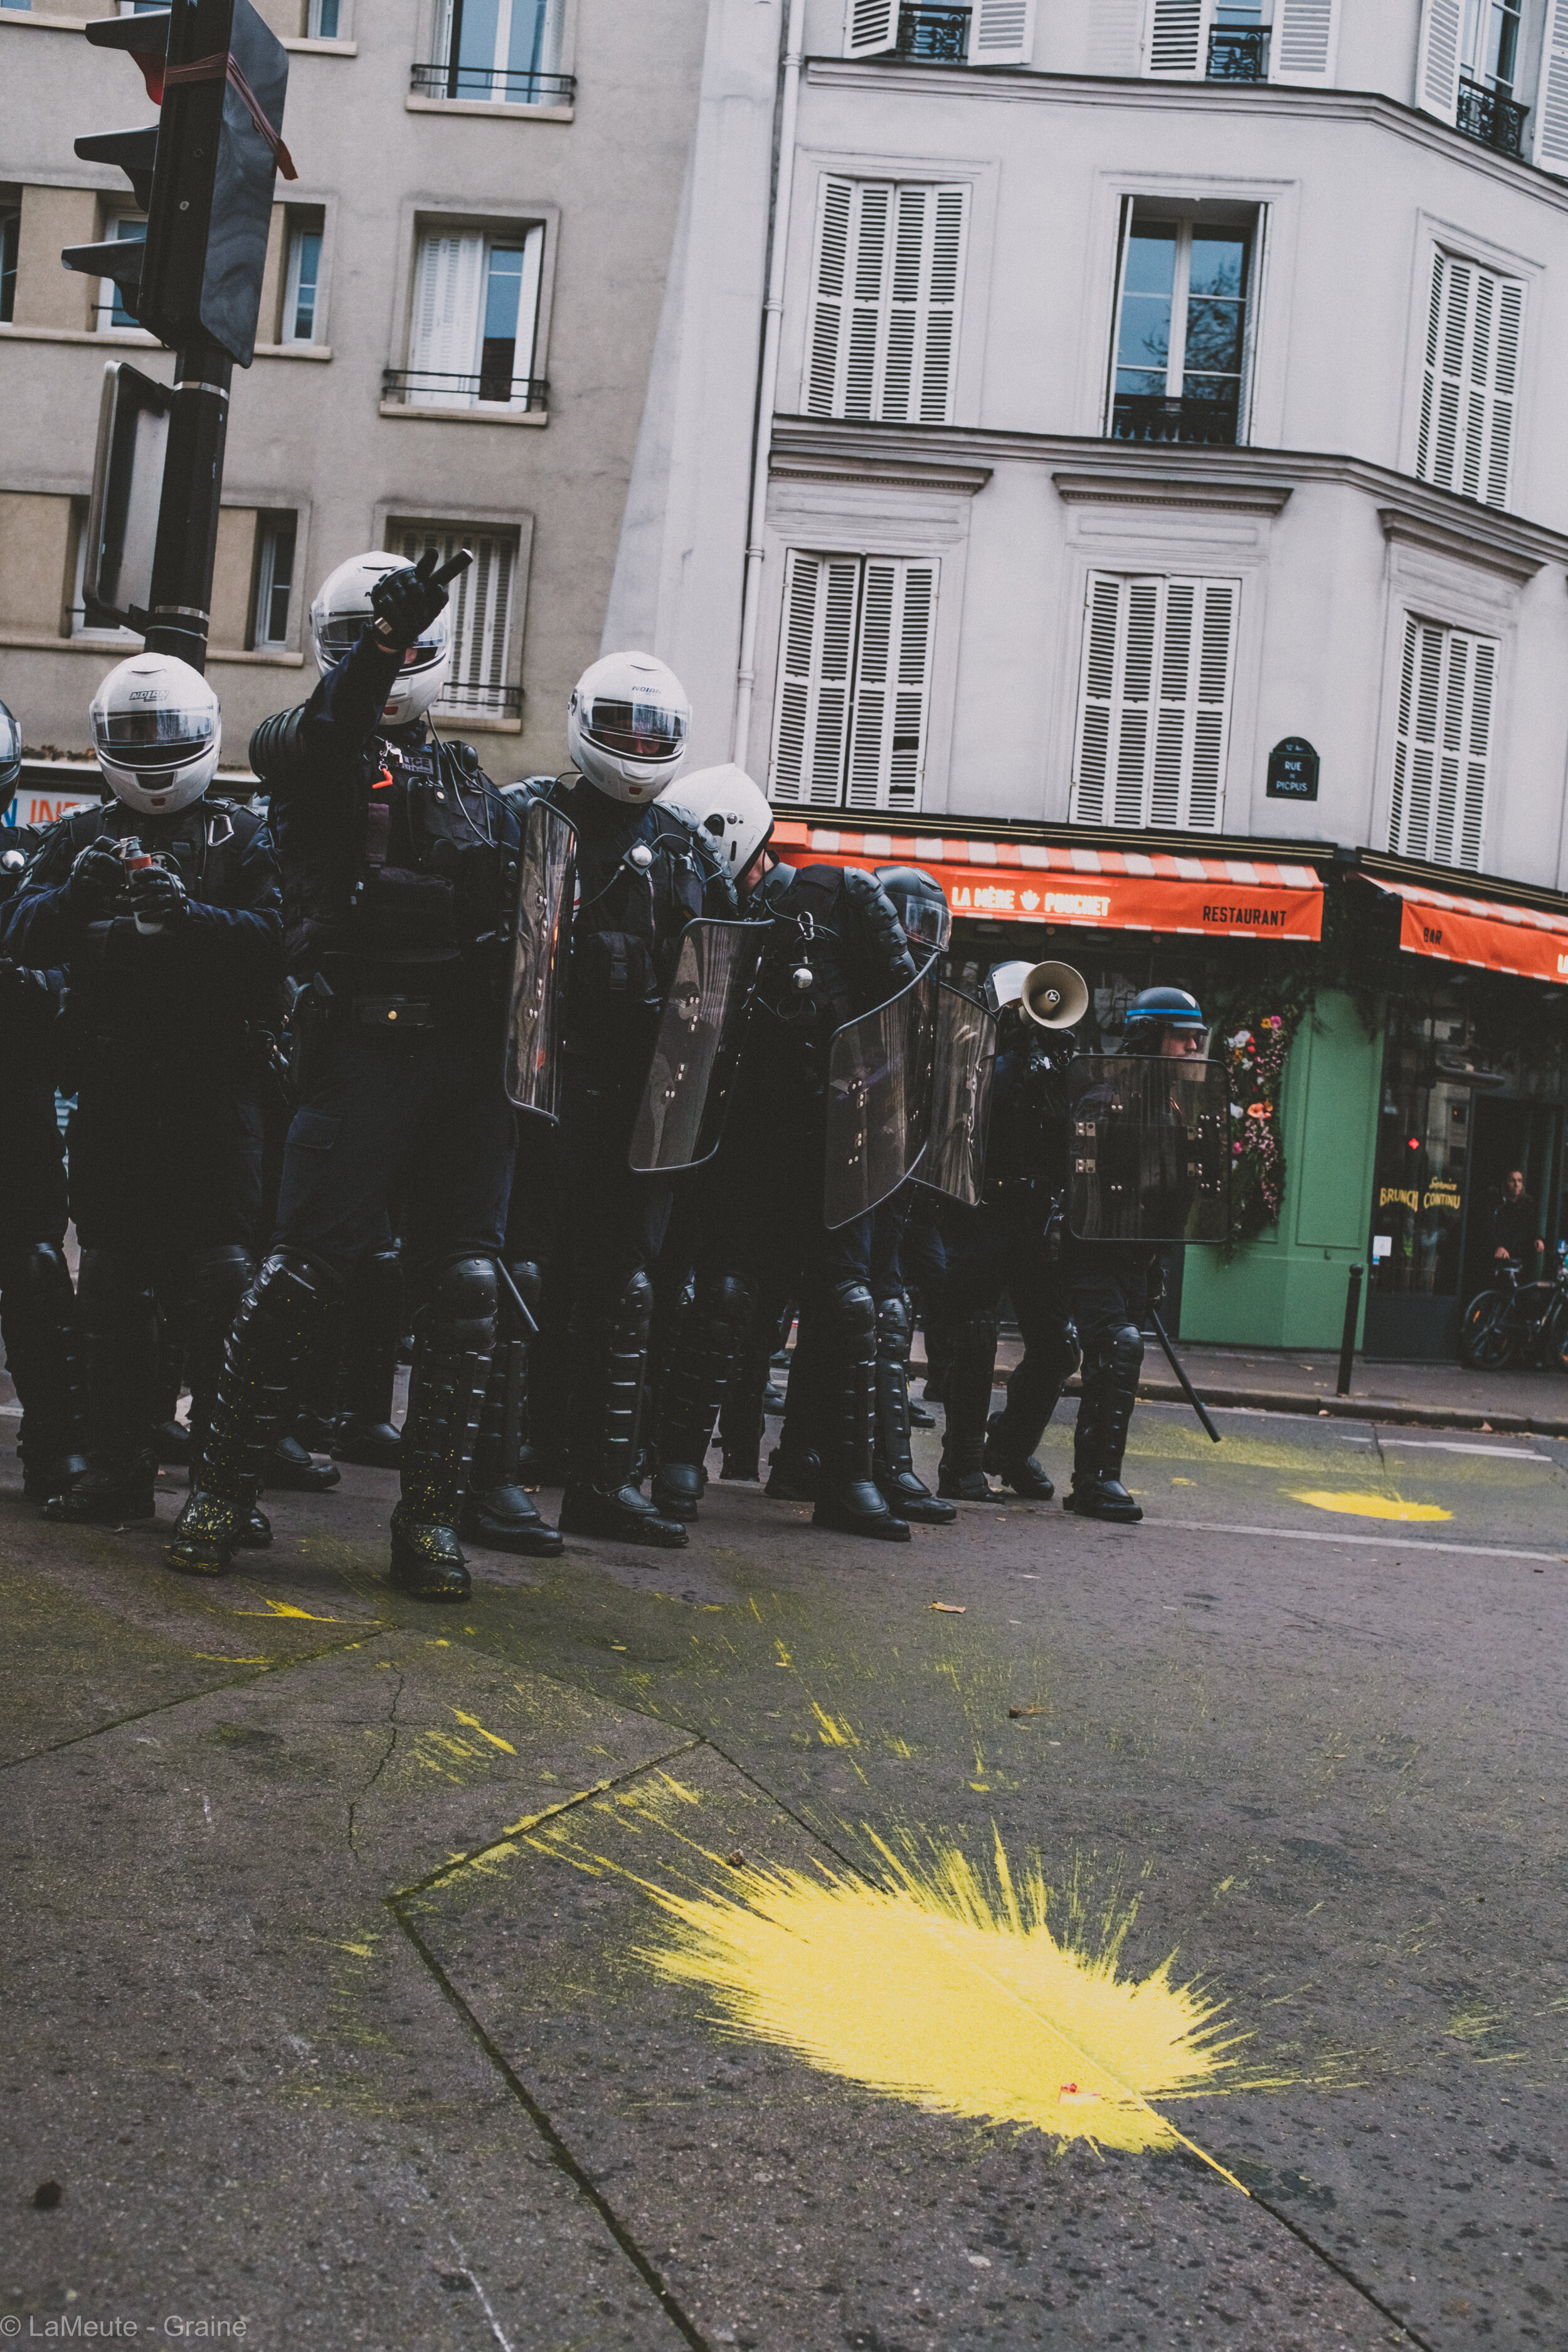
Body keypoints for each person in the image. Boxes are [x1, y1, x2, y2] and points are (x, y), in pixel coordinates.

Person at [167, 549, 559, 1596]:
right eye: (364, 636)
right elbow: (339, 734)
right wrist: (382, 649)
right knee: (301, 1275)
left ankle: (429, 1523)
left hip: (469, 1061)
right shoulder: (300, 742)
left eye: (402, 635)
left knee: (469, 1284)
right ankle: (220, 1486)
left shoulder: (479, 780)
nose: (386, 652)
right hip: (362, 1048)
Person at [1, 657, 282, 1529]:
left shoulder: (242, 837)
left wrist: (189, 916)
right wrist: (79, 895)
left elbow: (281, 943)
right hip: (116, 1090)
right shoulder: (80, 837)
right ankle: (117, 1468)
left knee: (221, 1283)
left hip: (213, 1090)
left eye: (169, 732)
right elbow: (21, 938)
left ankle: (224, 1481)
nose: (155, 750)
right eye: (137, 734)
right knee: (113, 1282)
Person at [654, 768, 920, 1541]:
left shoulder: (840, 894)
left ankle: (847, 1479)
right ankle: (678, 1461)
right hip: (743, 1143)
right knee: (725, 1295)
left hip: (834, 1142)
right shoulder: (702, 915)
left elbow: (901, 1015)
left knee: (846, 1305)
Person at [540, 658, 735, 1548]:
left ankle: (603, 1481)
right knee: (520, 1276)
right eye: (623, 724)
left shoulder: (689, 846)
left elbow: (725, 962)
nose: (638, 745)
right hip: (549, 1091)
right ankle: (494, 1470)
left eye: (655, 730)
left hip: (648, 1105)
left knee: (625, 1291)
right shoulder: (534, 817)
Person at [934, 960, 1080, 1507]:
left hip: (1038, 1216)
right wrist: (1014, 1054)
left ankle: (1011, 1449)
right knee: (974, 1336)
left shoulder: (1057, 1063)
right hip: (982, 1210)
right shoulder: (979, 1055)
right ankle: (963, 1463)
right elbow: (968, 1110)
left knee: (1059, 1345)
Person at [1062, 985, 1207, 1523]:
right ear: (1151, 1037)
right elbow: (1085, 1181)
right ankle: (1097, 1481)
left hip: (1135, 1260)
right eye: (1183, 1039)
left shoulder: (1173, 1105)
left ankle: (1083, 1478)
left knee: (1112, 1359)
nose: (1193, 1049)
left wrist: (1156, 1262)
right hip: (1093, 1253)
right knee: (1117, 1350)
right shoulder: (1109, 1098)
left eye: (1196, 1040)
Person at [0, 699, 85, 1502]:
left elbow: (72, 972)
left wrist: (33, 985)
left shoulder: (35, 859)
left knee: (31, 1261)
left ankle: (54, 1438)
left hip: (12, 1085)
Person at [1491, 1170, 1545, 1267]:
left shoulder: (1528, 1204)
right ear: (1505, 1183)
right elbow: (1488, 1228)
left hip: (1519, 1258)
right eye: (1513, 1181)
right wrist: (1497, 1246)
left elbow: (1531, 1228)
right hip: (1497, 1257)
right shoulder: (1496, 1203)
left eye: (1520, 1181)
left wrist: (1537, 1239)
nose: (1516, 1184)